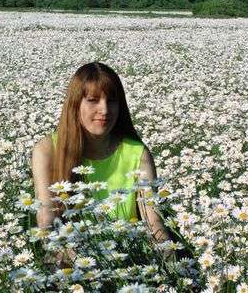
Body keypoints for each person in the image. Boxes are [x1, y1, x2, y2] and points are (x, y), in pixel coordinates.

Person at [30, 61, 175, 269]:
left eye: (112, 101)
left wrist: (171, 268)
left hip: (131, 263)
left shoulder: (137, 154)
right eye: (93, 100)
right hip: (72, 265)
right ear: (75, 104)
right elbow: (47, 219)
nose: (104, 110)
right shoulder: (47, 151)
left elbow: (154, 223)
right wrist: (81, 261)